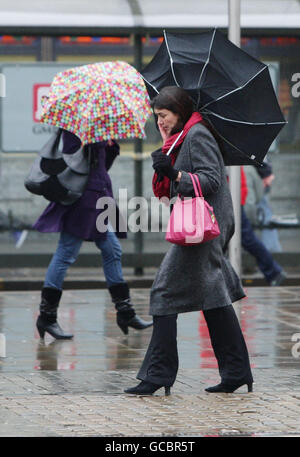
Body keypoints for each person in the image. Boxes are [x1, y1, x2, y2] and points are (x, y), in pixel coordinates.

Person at [124, 86, 253, 396]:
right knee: (213, 297)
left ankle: (158, 374)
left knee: (163, 292)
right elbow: (181, 183)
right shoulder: (182, 137)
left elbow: (210, 179)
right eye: (156, 117)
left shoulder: (197, 135)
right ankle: (237, 371)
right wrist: (168, 171)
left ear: (179, 112)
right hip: (203, 225)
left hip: (204, 228)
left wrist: (176, 175)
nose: (160, 122)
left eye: (163, 116)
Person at [33, 129, 152, 339]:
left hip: (99, 198)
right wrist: (90, 143)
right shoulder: (75, 129)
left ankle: (125, 312)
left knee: (112, 249)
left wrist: (110, 145)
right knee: (66, 252)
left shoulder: (98, 129)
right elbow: (72, 160)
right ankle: (47, 317)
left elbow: (102, 166)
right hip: (83, 201)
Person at [240, 166, 286, 286]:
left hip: (240, 208)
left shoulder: (240, 168)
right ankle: (273, 271)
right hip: (243, 207)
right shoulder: (248, 168)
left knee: (249, 241)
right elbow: (259, 194)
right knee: (249, 241)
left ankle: (274, 271)